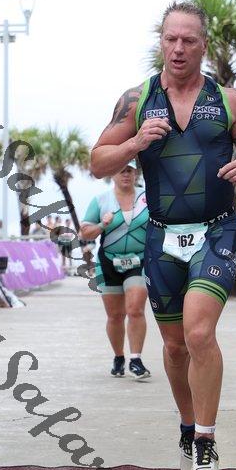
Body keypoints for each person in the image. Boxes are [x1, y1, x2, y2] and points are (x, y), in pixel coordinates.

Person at [90, 1, 236, 470]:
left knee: (198, 333)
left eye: (188, 40)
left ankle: (207, 442)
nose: (178, 48)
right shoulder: (137, 100)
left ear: (203, 46)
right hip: (160, 236)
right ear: (161, 42)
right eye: (171, 38)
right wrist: (134, 144)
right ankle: (188, 430)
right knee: (173, 347)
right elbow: (98, 161)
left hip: (217, 231)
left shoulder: (228, 100)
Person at [81, 159, 151, 380]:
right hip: (108, 262)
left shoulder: (147, 196)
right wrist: (102, 225)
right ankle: (119, 356)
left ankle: (136, 359)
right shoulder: (101, 200)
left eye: (130, 170)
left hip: (140, 261)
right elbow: (85, 232)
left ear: (135, 173)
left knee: (135, 309)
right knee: (115, 316)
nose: (126, 174)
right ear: (112, 174)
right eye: (121, 171)